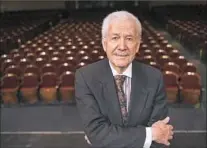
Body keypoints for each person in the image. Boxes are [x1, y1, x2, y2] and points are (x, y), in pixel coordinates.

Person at [75, 10, 174, 148]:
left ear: (138, 45)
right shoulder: (85, 77)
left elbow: (160, 138)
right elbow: (96, 133)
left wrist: (106, 138)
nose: (122, 47)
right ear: (105, 44)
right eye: (115, 38)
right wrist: (150, 134)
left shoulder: (154, 78)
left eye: (129, 38)